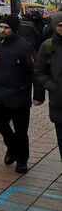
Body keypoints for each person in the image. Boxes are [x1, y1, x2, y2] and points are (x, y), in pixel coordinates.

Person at [0, 15, 43, 173]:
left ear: (14, 29)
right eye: (1, 27)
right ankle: (12, 146)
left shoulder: (24, 46)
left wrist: (38, 94)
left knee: (21, 130)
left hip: (19, 95)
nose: (2, 30)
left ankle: (22, 160)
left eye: (6, 28)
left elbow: (35, 71)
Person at [35, 11, 62, 159]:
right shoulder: (47, 46)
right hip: (59, 101)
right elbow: (39, 71)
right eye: (60, 25)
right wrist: (51, 85)